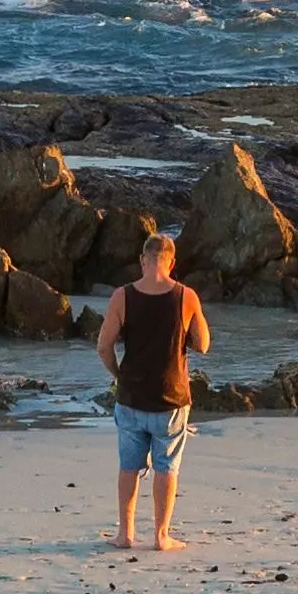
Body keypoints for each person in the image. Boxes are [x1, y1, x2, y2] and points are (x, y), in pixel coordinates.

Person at [97, 223, 206, 553]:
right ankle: (161, 535)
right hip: (171, 398)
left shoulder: (123, 296)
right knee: (166, 467)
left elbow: (103, 346)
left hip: (131, 396)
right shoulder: (186, 296)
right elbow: (202, 344)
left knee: (129, 467)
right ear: (171, 262)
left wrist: (118, 374)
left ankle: (125, 534)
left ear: (143, 259)